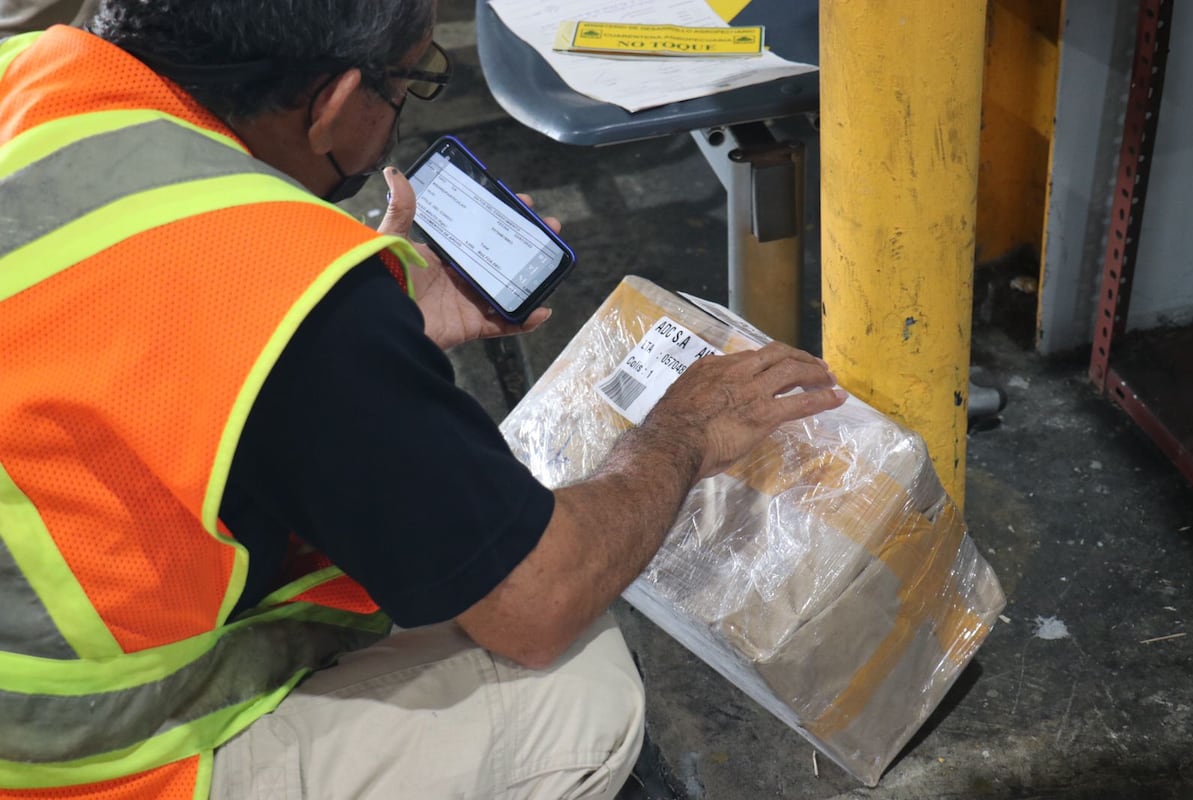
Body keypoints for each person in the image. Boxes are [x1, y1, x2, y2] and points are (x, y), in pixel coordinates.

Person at [0, 1, 846, 798]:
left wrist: (373, 337)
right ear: (334, 103)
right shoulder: (281, 286)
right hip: (70, 761)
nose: (402, 107)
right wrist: (681, 433)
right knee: (578, 694)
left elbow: (113, 329)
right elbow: (537, 602)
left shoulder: (28, 71)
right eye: (409, 81)